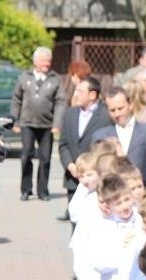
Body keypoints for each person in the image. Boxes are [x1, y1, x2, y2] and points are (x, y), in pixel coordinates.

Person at [11, 47, 65, 202]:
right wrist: (15, 121)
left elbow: (61, 102)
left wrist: (57, 123)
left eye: (48, 61)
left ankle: (43, 190)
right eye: (43, 60)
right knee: (26, 155)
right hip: (27, 123)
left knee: (45, 158)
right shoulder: (24, 77)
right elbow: (16, 100)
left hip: (46, 125)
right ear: (35, 62)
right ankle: (26, 189)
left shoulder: (56, 79)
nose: (46, 64)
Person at [58, 75, 111, 207]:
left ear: (92, 95)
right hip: (73, 178)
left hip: (96, 180)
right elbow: (63, 144)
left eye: (80, 91)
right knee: (75, 220)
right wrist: (70, 165)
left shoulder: (106, 116)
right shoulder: (70, 114)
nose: (76, 95)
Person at [93, 86, 146, 188]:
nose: (117, 114)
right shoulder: (100, 136)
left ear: (130, 105)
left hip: (143, 191)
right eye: (112, 110)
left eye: (120, 108)